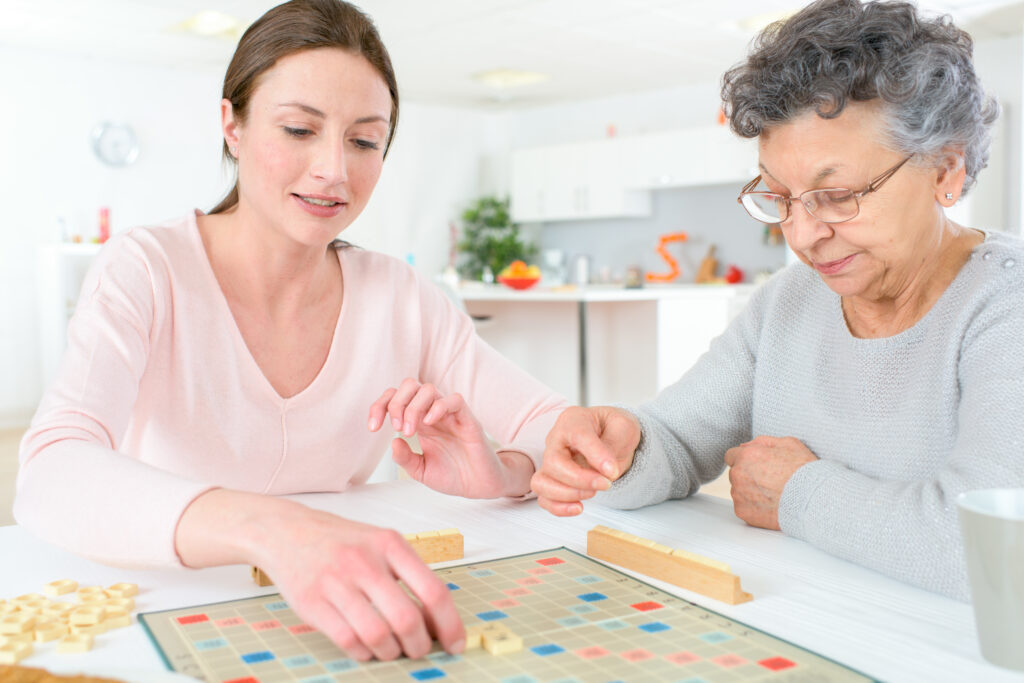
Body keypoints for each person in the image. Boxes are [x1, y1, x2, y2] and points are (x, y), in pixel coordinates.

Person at [15, 0, 566, 662]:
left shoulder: (400, 295)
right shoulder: (148, 268)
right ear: (233, 126)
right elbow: (50, 471)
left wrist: (501, 473)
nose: (334, 169)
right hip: (165, 615)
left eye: (363, 140)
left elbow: (553, 426)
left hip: (344, 616)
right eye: (300, 129)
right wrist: (275, 529)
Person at [531, 0, 1024, 602]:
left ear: (946, 169)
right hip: (800, 626)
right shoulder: (789, 301)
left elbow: (995, 550)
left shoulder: (1006, 304)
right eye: (779, 196)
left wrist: (797, 493)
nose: (801, 234)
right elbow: (677, 441)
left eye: (836, 194)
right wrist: (619, 448)